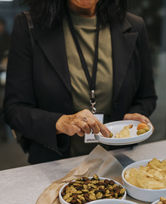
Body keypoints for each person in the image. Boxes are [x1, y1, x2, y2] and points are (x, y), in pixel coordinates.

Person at [4, 0, 157, 164]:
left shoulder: (134, 25)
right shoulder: (29, 26)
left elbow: (147, 97)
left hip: (118, 163)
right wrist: (59, 123)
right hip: (56, 165)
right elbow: (14, 109)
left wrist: (133, 115)